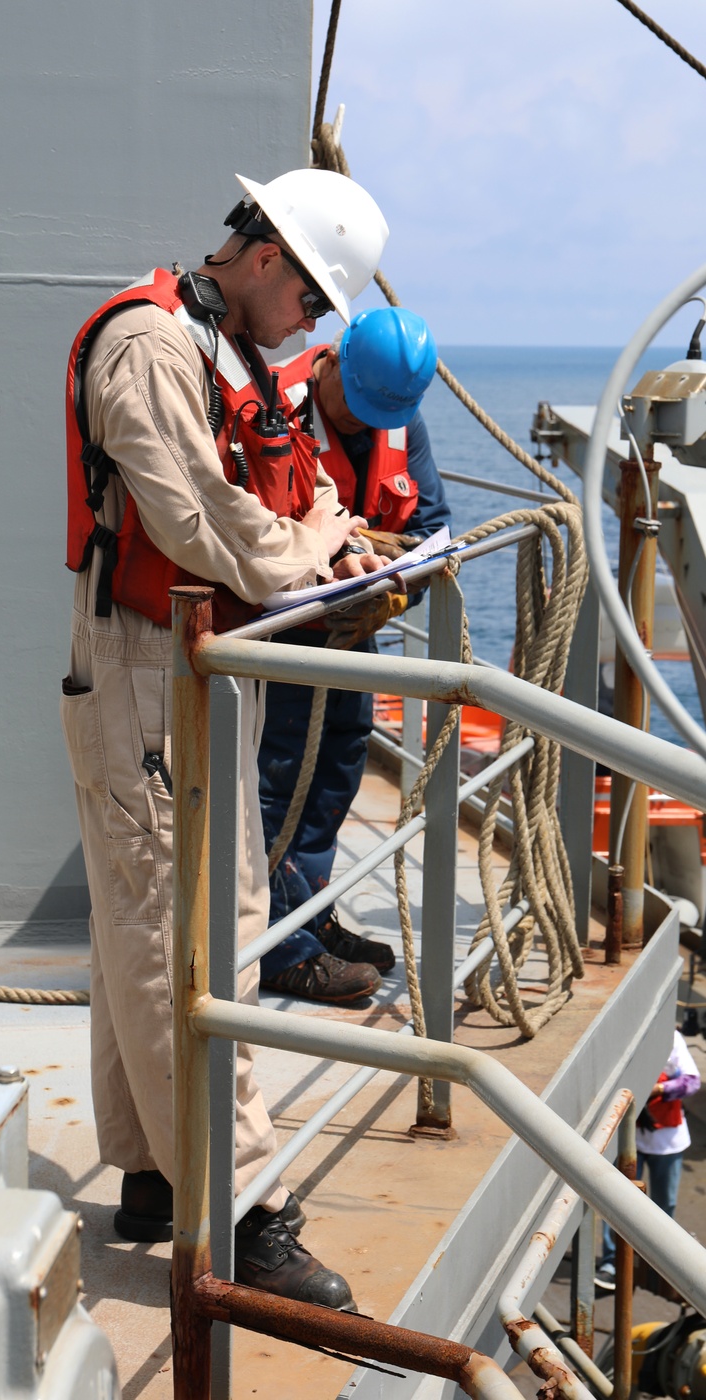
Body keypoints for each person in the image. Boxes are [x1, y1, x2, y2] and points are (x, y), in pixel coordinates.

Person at [60, 168, 394, 1310]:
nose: (314, 324)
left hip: (193, 657)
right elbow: (197, 519)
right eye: (312, 298)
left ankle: (156, 1170)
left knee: (145, 921)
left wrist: (327, 535)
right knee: (193, 928)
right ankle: (243, 1208)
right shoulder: (151, 347)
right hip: (146, 663)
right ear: (266, 261)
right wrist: (311, 548)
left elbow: (267, 500)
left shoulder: (230, 351)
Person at [256, 308, 451, 1003]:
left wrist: (389, 597)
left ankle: (309, 914)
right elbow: (251, 529)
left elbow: (430, 529)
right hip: (280, 642)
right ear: (331, 361)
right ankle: (278, 945)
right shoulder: (270, 406)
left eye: (381, 414)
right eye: (354, 408)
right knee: (278, 783)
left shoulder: (396, 415)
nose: (366, 424)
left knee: (337, 767)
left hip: (354, 640)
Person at [595, 1027, 700, 1291]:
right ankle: (612, 1262)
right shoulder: (622, 1034)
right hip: (630, 1137)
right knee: (620, 1202)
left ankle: (660, 1262)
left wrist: (657, 1088)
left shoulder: (671, 1038)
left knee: (665, 1204)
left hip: (667, 1139)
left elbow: (692, 1081)